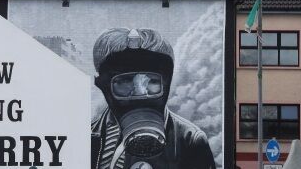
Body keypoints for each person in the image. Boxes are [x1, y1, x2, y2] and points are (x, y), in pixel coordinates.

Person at [91, 28, 215, 169]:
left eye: (152, 82)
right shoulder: (85, 136)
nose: (140, 95)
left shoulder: (189, 141)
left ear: (167, 84)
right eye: (125, 81)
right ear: (102, 85)